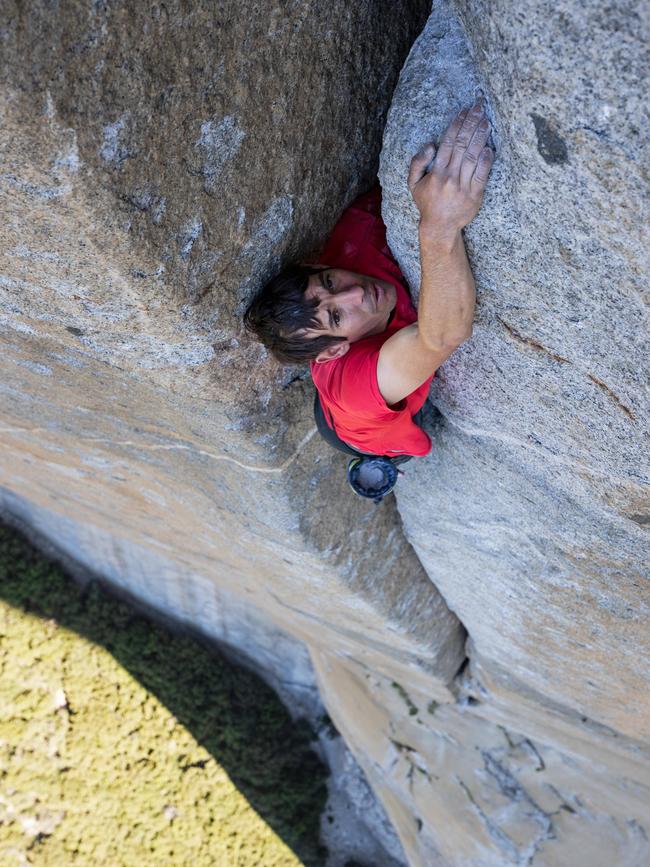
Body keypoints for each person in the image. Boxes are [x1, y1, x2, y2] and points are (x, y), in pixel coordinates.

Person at [244, 100, 493, 466]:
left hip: (346, 393)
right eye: (337, 317)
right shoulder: (357, 391)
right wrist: (438, 227)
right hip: (360, 428)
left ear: (317, 264)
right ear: (332, 352)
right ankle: (376, 463)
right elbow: (442, 336)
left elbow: (418, 188)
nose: (356, 292)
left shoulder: (359, 232)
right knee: (395, 450)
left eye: (329, 281)